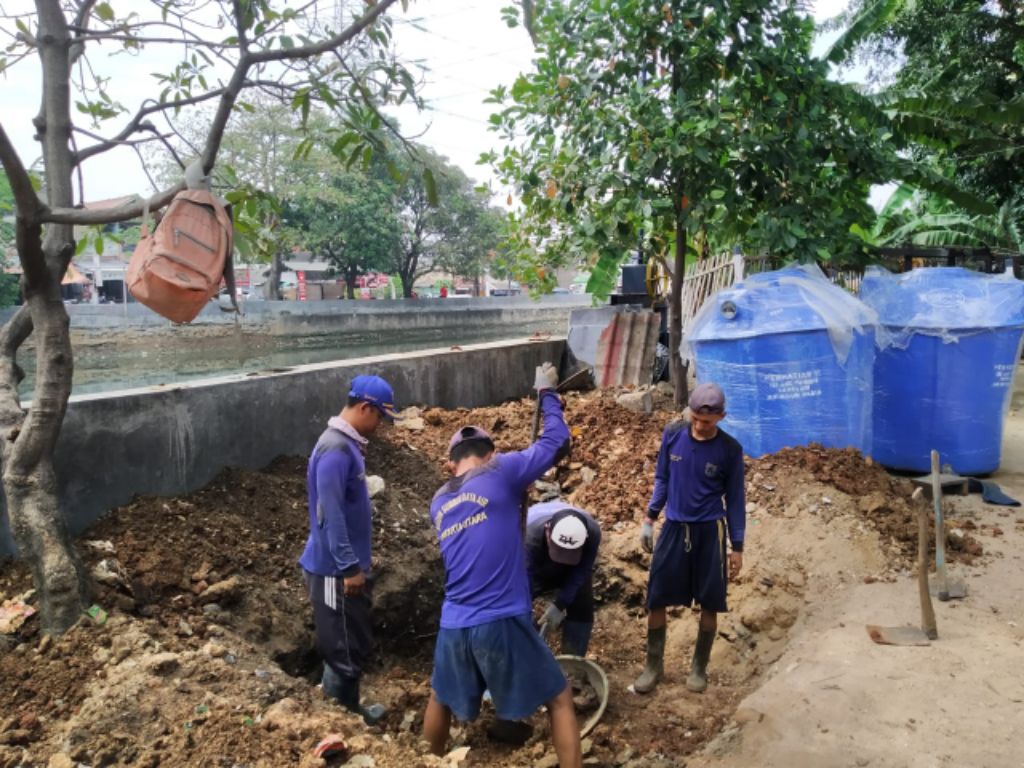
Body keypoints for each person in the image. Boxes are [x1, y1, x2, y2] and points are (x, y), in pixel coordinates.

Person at [422, 362, 583, 768]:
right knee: (559, 697)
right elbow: (557, 441)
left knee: (440, 697)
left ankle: (426, 761)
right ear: (491, 454)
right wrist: (547, 393)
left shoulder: (438, 501)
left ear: (450, 466)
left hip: (454, 621)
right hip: (499, 618)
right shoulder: (501, 470)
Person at [299, 374, 400, 725]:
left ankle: (348, 710)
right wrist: (348, 567)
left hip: (344, 568)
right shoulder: (335, 450)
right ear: (365, 408)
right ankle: (340, 722)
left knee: (351, 642)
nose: (380, 426)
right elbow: (330, 513)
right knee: (342, 648)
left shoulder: (347, 446)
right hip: (334, 572)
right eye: (380, 417)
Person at [634, 382, 746, 695]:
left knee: (710, 602)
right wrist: (649, 518)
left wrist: (737, 546)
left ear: (721, 417)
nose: (699, 426)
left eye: (706, 422)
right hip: (674, 526)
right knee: (656, 597)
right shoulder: (673, 435)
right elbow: (662, 478)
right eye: (695, 418)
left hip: (710, 531)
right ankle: (653, 666)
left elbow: (735, 501)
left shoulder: (730, 450)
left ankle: (699, 668)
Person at [525, 500, 602, 657]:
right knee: (519, 610)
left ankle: (572, 662)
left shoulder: (593, 533)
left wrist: (560, 603)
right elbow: (522, 584)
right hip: (538, 563)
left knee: (582, 605)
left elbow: (582, 570)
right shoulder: (529, 537)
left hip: (573, 567)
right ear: (548, 532)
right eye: (560, 552)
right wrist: (526, 619)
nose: (561, 560)